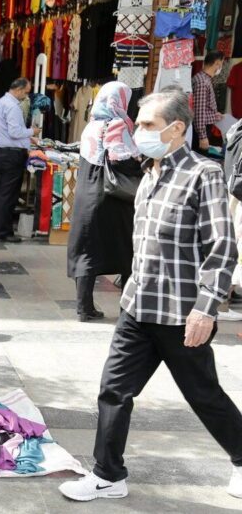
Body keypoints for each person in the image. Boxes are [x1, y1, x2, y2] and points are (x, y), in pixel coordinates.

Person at [59, 90, 242, 501]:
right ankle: (108, 475)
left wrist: (206, 309)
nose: (137, 132)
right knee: (113, 391)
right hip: (138, 309)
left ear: (176, 129)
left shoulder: (203, 174)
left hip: (181, 315)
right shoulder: (150, 172)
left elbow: (221, 247)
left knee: (204, 395)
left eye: (147, 126)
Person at [67, 82, 139, 322]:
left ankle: (84, 308)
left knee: (87, 251)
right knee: (126, 252)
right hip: (111, 197)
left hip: (87, 194)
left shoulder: (91, 126)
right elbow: (120, 159)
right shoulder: (116, 124)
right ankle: (127, 310)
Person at [0, 78, 40, 242]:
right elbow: (16, 132)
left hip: (3, 152)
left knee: (3, 193)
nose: (26, 96)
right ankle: (3, 231)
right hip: (11, 154)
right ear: (20, 90)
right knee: (8, 195)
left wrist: (0, 137)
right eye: (26, 92)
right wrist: (32, 132)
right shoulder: (13, 106)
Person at [192, 50, 225, 156]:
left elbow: (204, 107)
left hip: (203, 128)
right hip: (201, 131)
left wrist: (214, 115)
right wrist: (203, 137)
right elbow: (199, 112)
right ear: (217, 63)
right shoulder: (202, 82)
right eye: (222, 63)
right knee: (200, 157)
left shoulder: (205, 79)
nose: (221, 66)